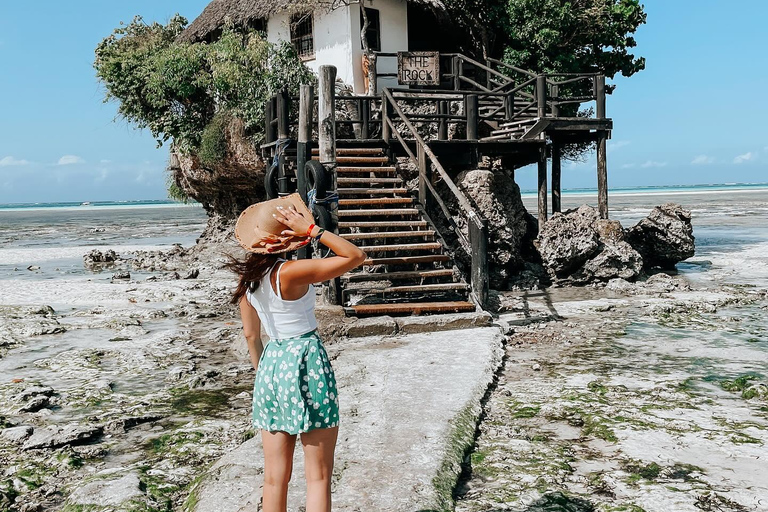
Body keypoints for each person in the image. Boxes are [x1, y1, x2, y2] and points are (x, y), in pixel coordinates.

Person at [226, 193, 366, 512]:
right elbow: (355, 255)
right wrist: (314, 230)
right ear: (286, 237)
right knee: (317, 477)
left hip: (271, 367)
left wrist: (270, 378)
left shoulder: (248, 281)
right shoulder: (290, 272)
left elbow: (251, 336)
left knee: (275, 478)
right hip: (304, 359)